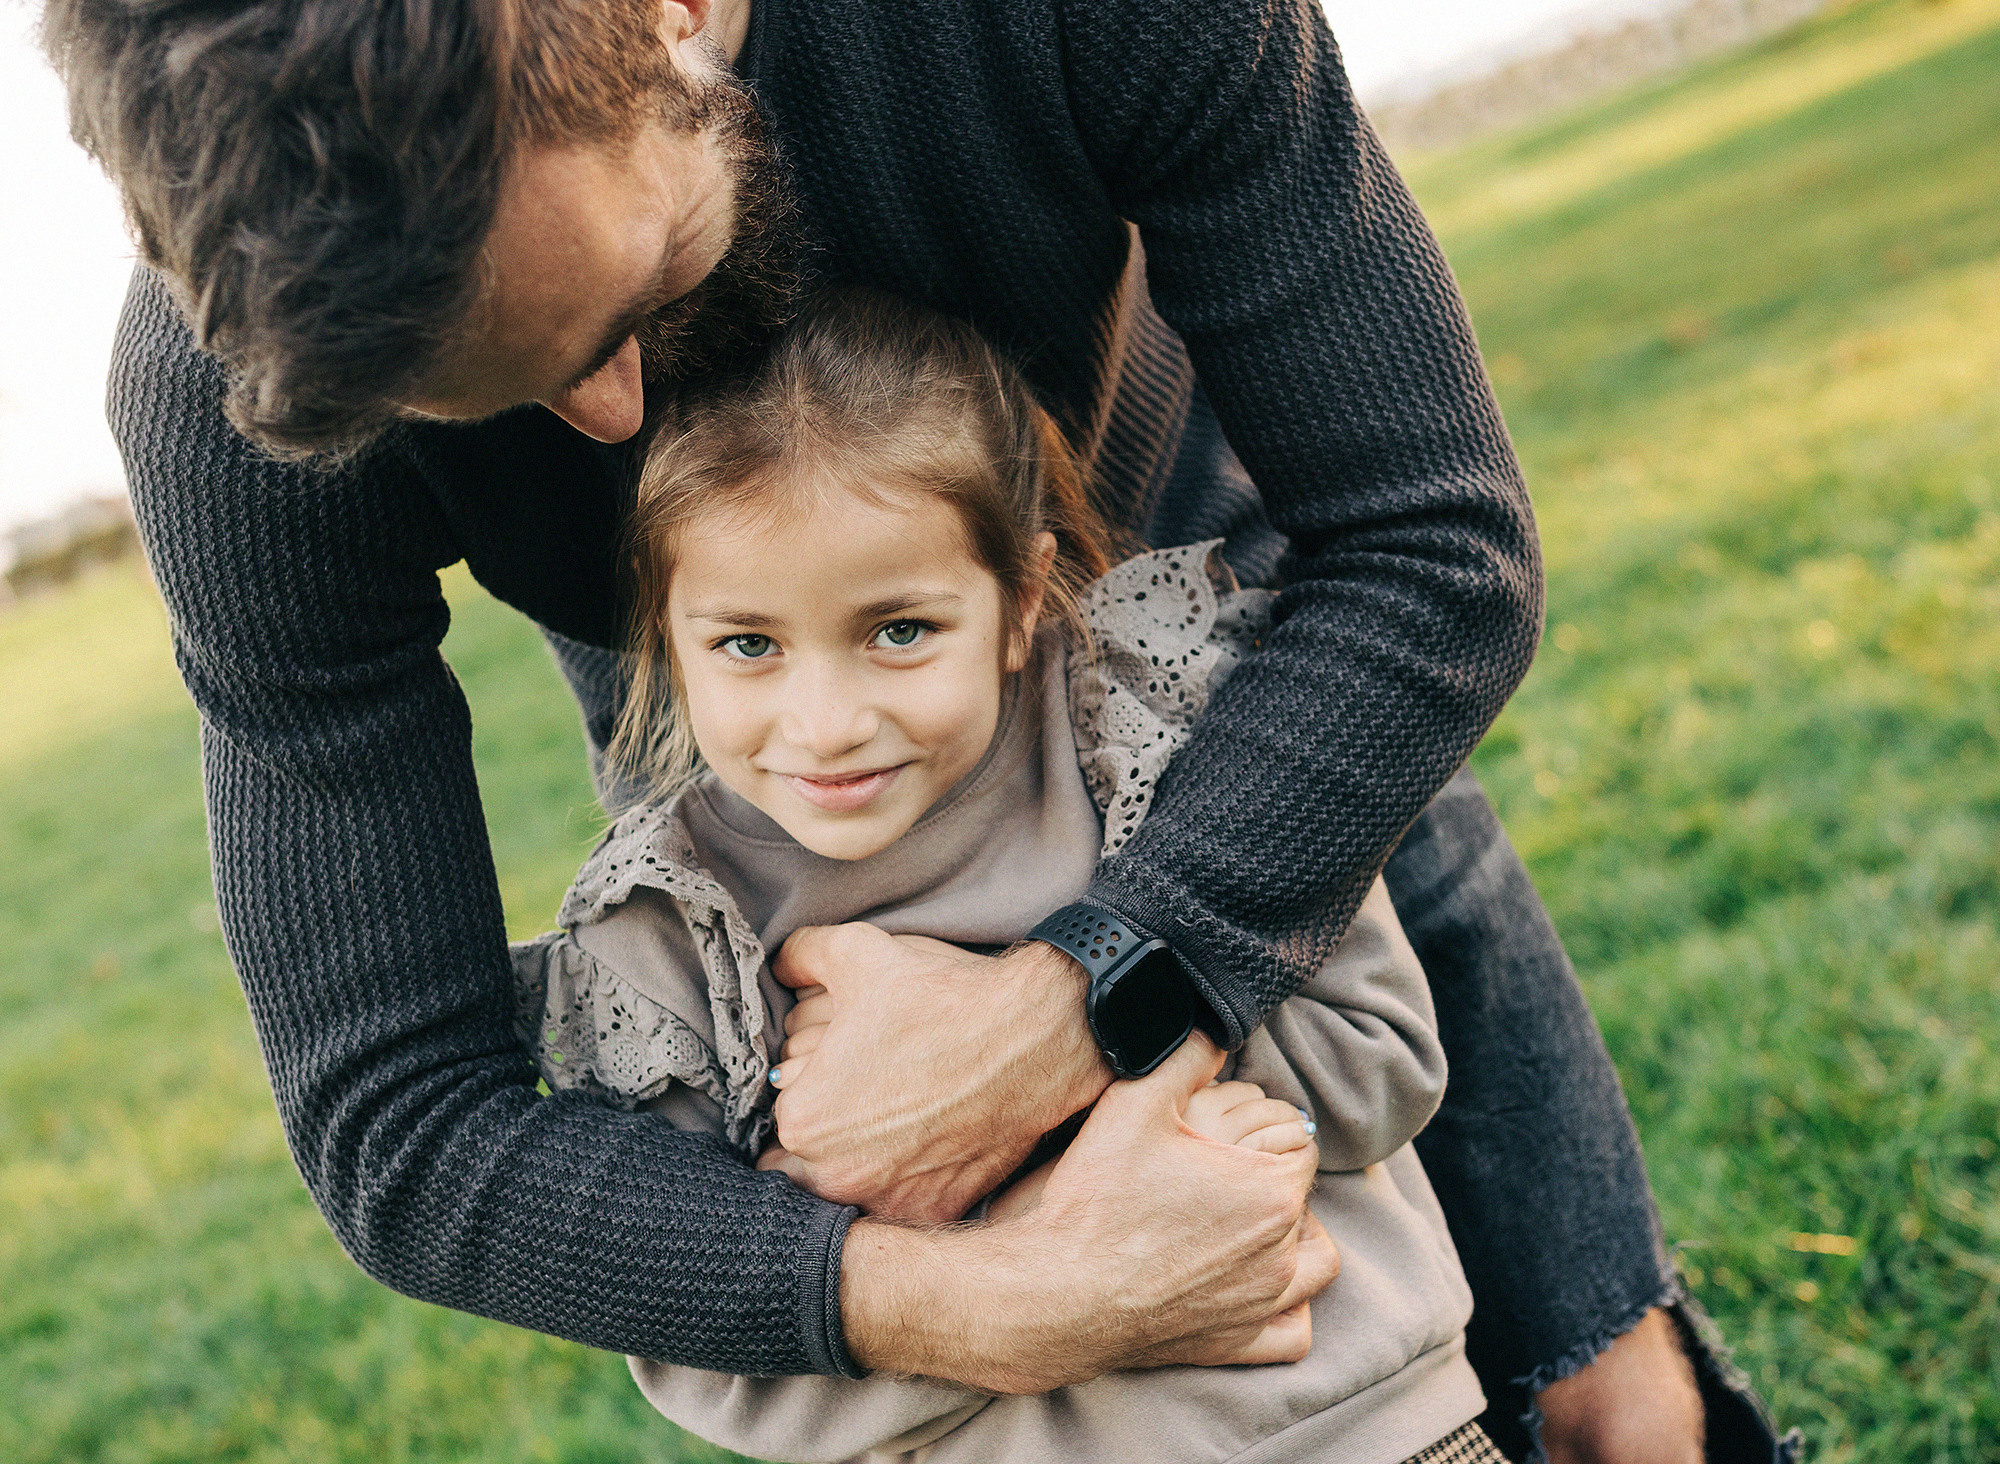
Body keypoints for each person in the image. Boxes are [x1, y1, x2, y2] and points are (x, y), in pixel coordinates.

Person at [44, 0, 1791, 1456]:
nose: (607, 419)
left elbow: (1429, 553)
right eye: (501, 391)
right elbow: (398, 1119)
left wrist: (1066, 1004)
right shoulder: (232, 407)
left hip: (1148, 498)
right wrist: (978, 1296)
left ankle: (1613, 1393)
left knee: (1327, 826)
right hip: (697, 664)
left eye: (629, 303)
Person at [513, 286, 1502, 1464]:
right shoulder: (668, 932)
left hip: (1361, 1429)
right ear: (667, 639)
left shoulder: (1146, 729)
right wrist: (1025, 1271)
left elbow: (1380, 1054)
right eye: (747, 646)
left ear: (1020, 598)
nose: (824, 724)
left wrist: (1039, 1076)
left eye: (897, 631)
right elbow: (715, 1360)